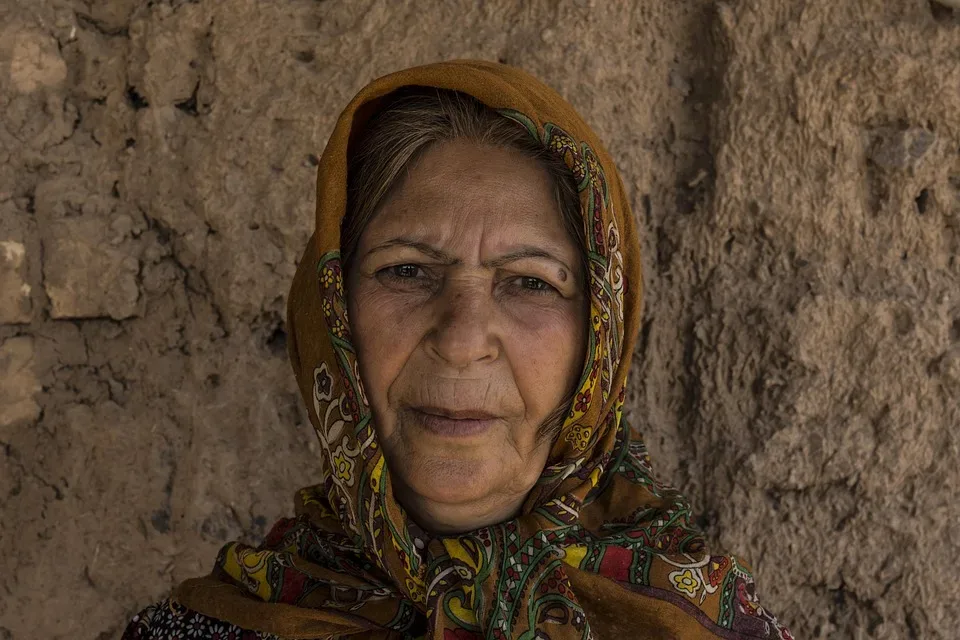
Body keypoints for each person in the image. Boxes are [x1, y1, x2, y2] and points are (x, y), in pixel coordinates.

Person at [122, 60, 793, 640]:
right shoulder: (213, 629)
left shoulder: (694, 623)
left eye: (530, 282)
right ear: (330, 315)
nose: (464, 339)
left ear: (600, 337)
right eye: (407, 271)